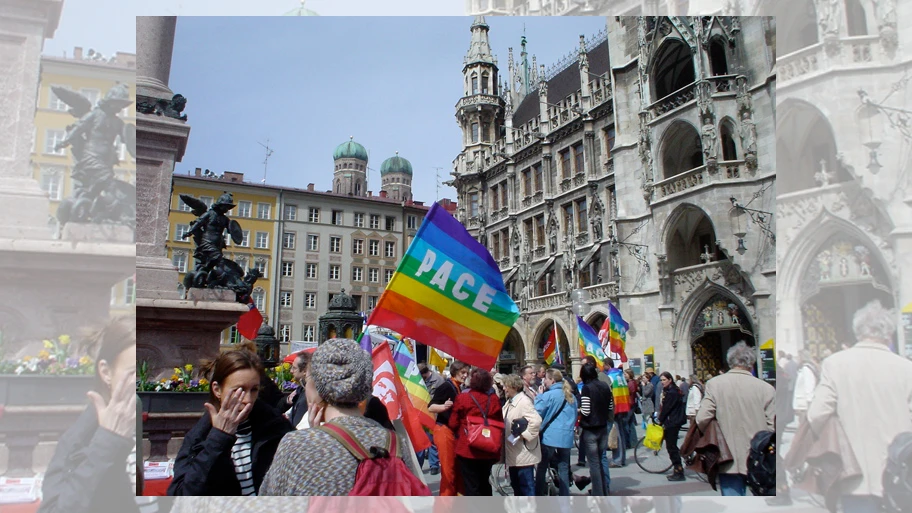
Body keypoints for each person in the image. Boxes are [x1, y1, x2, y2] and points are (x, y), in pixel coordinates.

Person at [260, 338, 421, 495]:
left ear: (318, 387)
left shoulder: (296, 445)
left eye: (306, 381)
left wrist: (313, 437)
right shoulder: (395, 443)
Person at [802, 300, 912, 513]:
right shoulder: (906, 368)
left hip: (854, 472)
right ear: (888, 334)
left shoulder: (835, 364)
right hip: (900, 470)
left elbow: (816, 414)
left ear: (857, 331)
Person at [39, 316, 147, 513]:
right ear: (106, 372)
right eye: (133, 373)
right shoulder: (82, 437)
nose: (139, 384)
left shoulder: (137, 416)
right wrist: (108, 442)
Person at [168, 343, 293, 496]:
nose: (247, 399)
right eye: (238, 390)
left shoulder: (275, 428)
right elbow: (182, 494)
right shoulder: (200, 436)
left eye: (253, 390)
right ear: (217, 390)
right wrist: (219, 438)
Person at [695, 342, 775, 496]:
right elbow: (773, 426)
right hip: (759, 457)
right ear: (751, 363)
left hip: (728, 456)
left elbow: (702, 418)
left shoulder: (715, 384)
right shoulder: (766, 388)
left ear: (729, 362)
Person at [447, 367, 504, 496]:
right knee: (485, 482)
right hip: (488, 446)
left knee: (471, 485)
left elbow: (453, 423)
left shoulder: (463, 398)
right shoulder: (494, 399)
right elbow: (500, 422)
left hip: (468, 448)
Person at [534, 368, 577, 496]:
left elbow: (537, 413)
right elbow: (574, 415)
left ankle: (539, 493)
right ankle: (564, 495)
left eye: (546, 378)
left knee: (542, 467)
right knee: (563, 467)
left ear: (552, 380)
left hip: (550, 436)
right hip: (566, 435)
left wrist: (539, 396)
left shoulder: (548, 395)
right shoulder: (571, 395)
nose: (544, 381)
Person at [428, 360, 469, 494]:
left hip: (453, 432)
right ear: (455, 372)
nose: (465, 375)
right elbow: (431, 406)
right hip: (444, 431)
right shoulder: (446, 386)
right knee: (448, 472)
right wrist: (443, 407)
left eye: (467, 373)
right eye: (463, 372)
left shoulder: (458, 387)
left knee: (457, 470)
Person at [501, 374, 542, 496]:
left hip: (523, 453)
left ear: (513, 387)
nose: (504, 389)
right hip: (514, 453)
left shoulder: (523, 402)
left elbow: (536, 421)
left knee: (526, 486)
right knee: (517, 486)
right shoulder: (510, 402)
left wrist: (524, 435)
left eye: (506, 386)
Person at [578, 363, 614, 495]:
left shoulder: (587, 388)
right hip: (603, 427)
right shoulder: (604, 386)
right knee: (601, 459)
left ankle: (598, 493)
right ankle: (605, 489)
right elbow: (610, 406)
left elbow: (586, 411)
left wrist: (579, 410)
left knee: (594, 463)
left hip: (591, 429)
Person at [657, 371, 686, 481]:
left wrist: (660, 420)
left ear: (670, 380)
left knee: (671, 447)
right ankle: (677, 468)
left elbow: (667, 408)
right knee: (671, 446)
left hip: (672, 421)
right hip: (672, 420)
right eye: (661, 380)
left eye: (664, 380)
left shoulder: (672, 392)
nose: (662, 382)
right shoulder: (669, 390)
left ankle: (678, 470)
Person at [417, 362, 445, 472]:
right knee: (420, 440)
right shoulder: (418, 380)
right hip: (420, 414)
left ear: (424, 373)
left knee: (432, 441)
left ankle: (434, 465)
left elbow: (441, 398)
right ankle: (418, 467)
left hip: (433, 414)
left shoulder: (438, 380)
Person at [605, 358, 631, 468]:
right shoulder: (620, 375)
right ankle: (622, 458)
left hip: (615, 407)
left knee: (616, 435)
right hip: (623, 405)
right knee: (621, 433)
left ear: (607, 365)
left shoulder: (610, 376)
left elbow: (609, 392)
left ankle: (617, 459)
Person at [279, 350, 311, 428]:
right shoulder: (301, 389)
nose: (291, 371)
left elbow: (296, 425)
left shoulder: (307, 395)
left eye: (294, 368)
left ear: (304, 371)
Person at [791, 349, 818, 426]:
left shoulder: (806, 369)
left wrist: (809, 404)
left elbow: (809, 387)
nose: (797, 359)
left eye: (798, 357)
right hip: (802, 404)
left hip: (804, 405)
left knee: (804, 428)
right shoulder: (803, 369)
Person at [625, 369, 639, 447]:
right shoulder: (631, 382)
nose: (624, 375)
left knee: (626, 423)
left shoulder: (631, 383)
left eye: (626, 374)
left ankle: (628, 441)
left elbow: (630, 392)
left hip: (630, 404)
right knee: (630, 423)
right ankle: (633, 441)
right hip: (631, 404)